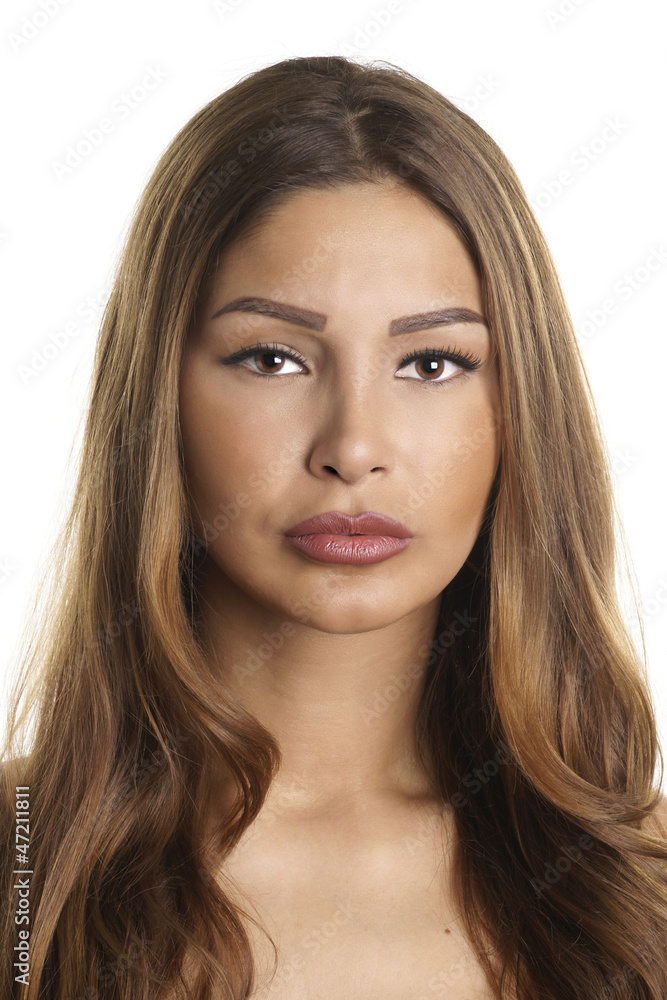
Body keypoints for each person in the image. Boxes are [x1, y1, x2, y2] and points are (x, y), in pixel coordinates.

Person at [1, 54, 666, 1000]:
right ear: (158, 397)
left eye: (430, 364)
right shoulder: (24, 867)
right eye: (272, 358)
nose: (353, 448)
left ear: (520, 406)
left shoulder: (641, 887)